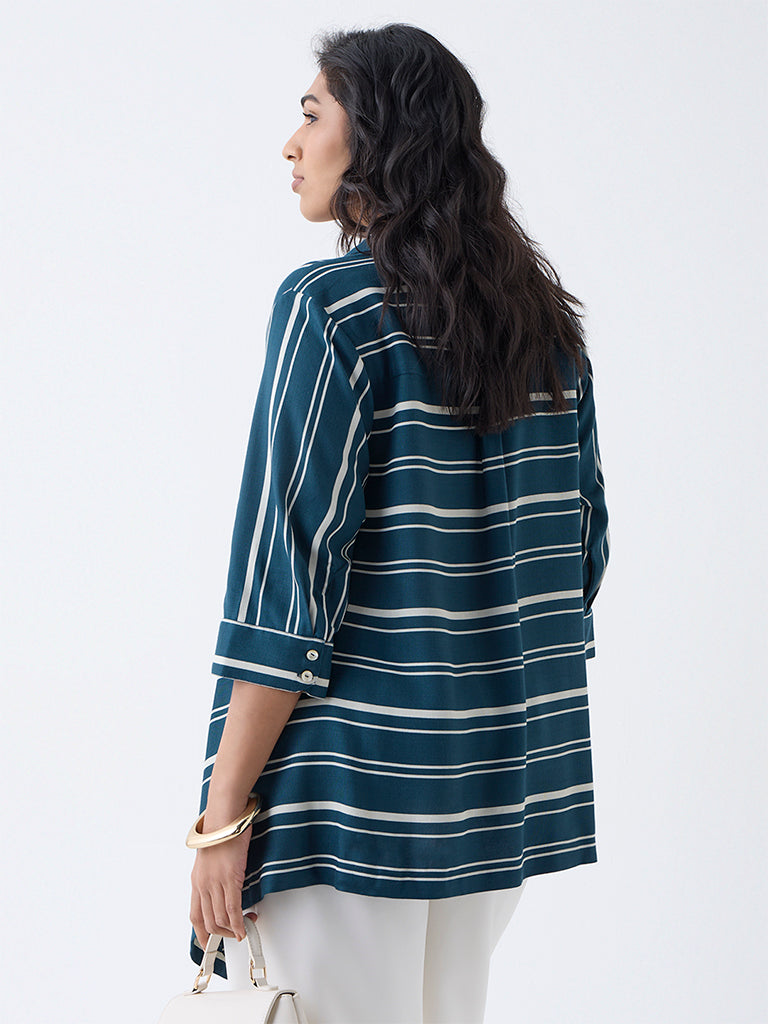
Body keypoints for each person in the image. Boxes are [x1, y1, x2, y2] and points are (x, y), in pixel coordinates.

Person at [185, 22, 610, 1024]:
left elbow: (289, 582)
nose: (291, 145)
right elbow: (578, 558)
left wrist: (221, 818)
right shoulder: (545, 331)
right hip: (490, 792)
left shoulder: (330, 309)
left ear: (375, 135)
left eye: (312, 115)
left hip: (347, 800)